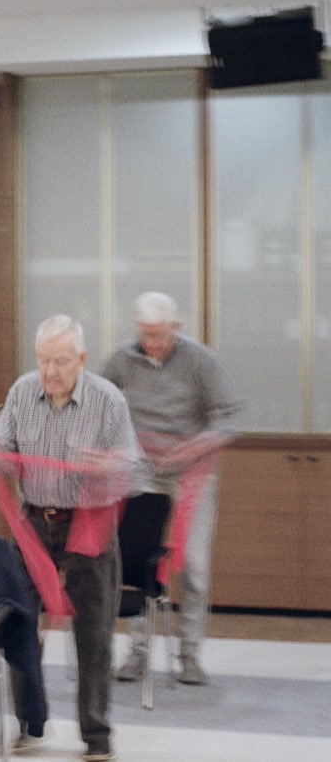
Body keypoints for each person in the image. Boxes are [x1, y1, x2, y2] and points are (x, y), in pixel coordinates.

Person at [0, 314, 142, 762]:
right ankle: (30, 724)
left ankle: (96, 739)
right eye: (43, 361)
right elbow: (5, 455)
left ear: (81, 359)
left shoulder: (108, 399)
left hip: (90, 526)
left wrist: (107, 467)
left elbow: (133, 469)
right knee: (22, 627)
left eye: (61, 361)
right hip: (35, 522)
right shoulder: (22, 391)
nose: (51, 372)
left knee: (93, 637)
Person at [103, 291, 242, 686]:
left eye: (160, 335)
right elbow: (100, 402)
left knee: (194, 567)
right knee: (138, 561)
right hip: (141, 476)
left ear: (176, 328)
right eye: (146, 335)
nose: (153, 343)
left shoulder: (200, 360)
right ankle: (137, 652)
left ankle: (190, 655)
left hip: (191, 478)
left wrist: (203, 442)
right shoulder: (121, 360)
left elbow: (232, 415)